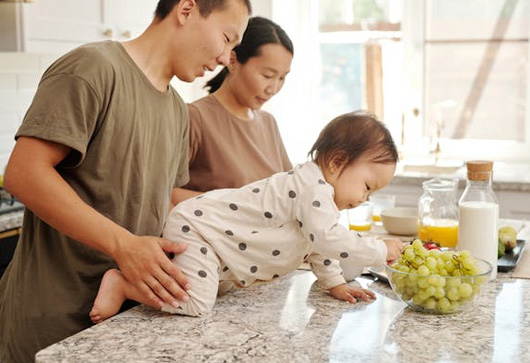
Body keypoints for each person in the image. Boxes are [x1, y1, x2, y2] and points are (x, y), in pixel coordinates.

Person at [0, 0, 251, 362]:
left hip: (123, 324)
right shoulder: (93, 68)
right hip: (51, 325)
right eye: (227, 38)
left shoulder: (177, 111)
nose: (226, 58)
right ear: (186, 10)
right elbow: (24, 175)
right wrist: (124, 246)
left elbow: (157, 201)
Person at [89, 110, 404, 322]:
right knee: (197, 303)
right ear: (336, 162)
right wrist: (379, 250)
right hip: (200, 230)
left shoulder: (320, 199)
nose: (364, 199)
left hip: (217, 243)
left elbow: (319, 246)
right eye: (366, 186)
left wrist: (334, 284)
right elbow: (328, 238)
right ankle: (122, 285)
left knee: (211, 290)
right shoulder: (311, 189)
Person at [171, 16, 294, 205]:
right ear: (233, 61)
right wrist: (238, 205)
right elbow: (164, 192)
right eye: (267, 75)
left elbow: (289, 191)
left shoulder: (268, 123)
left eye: (282, 78)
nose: (273, 88)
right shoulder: (195, 117)